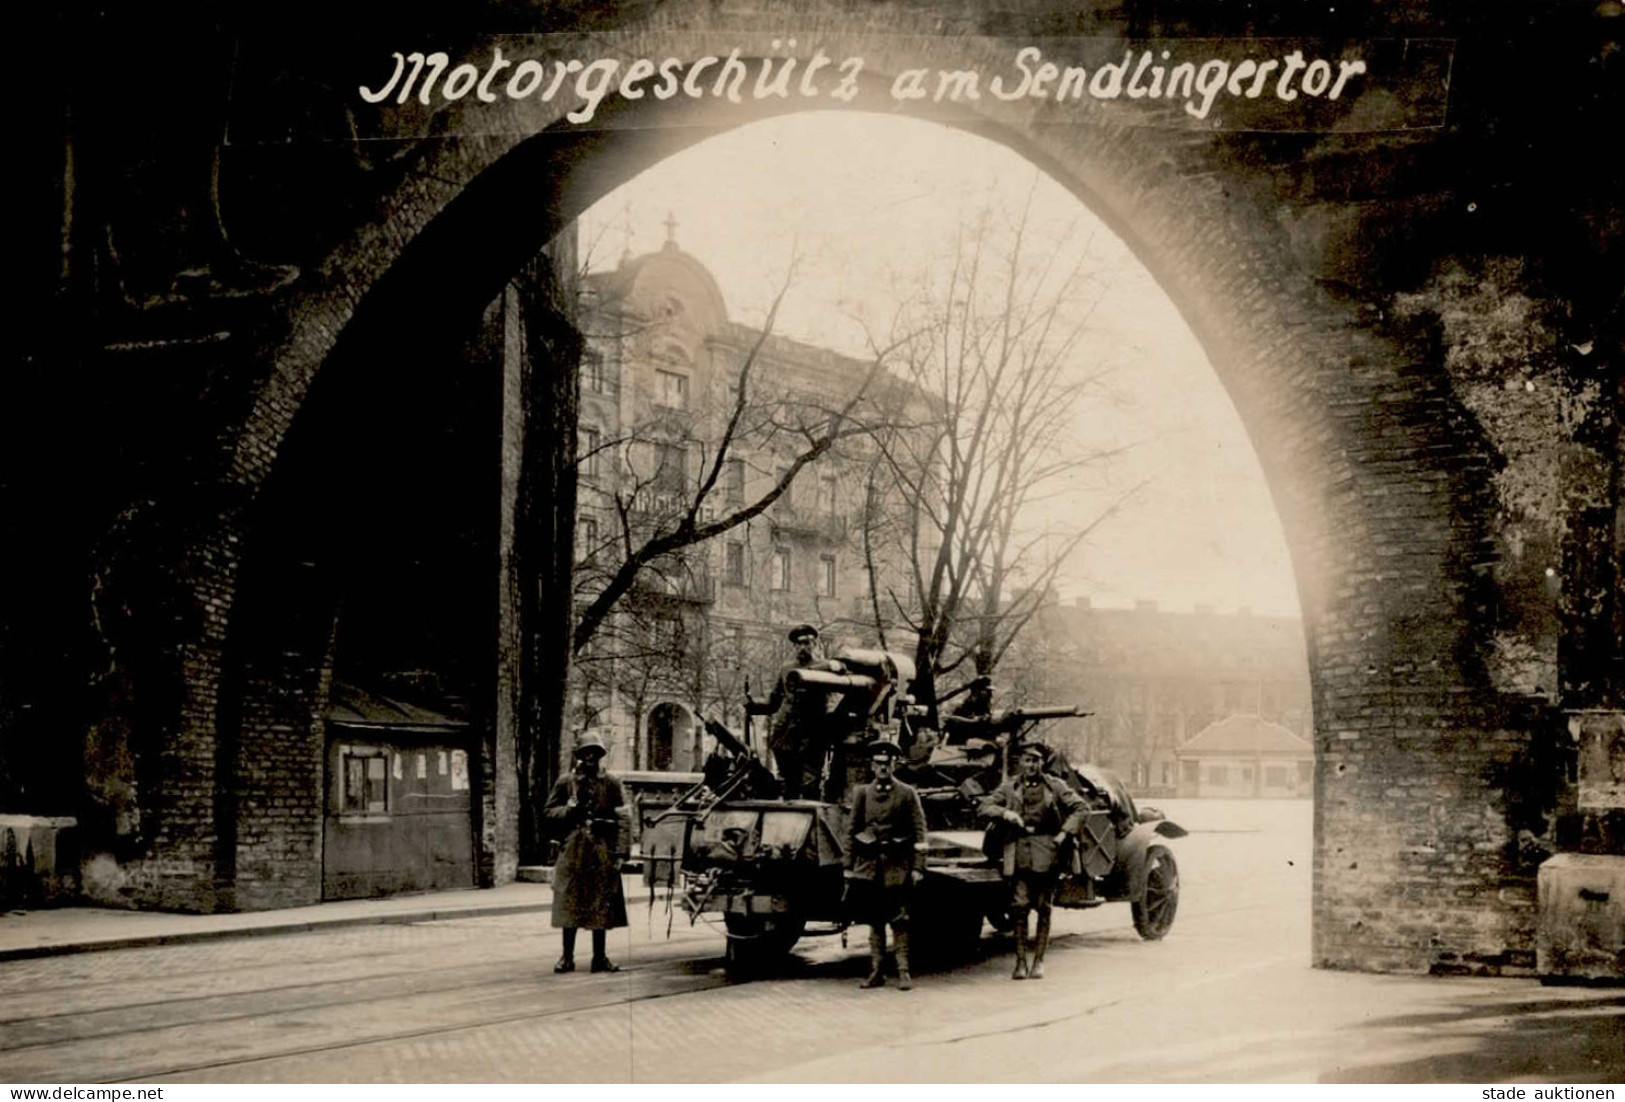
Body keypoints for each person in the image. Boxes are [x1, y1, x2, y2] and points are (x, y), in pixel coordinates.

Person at [979, 741, 1086, 980]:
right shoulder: (1010, 787)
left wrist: (1064, 833)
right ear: (1021, 763)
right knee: (1019, 908)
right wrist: (1005, 813)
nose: (1031, 765)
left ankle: (1039, 961)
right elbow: (984, 806)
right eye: (1027, 760)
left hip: (1048, 852)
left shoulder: (1055, 786)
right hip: (1018, 853)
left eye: (1035, 760)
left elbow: (1081, 808)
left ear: (1041, 763)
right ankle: (1020, 963)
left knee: (1044, 908)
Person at [843, 738, 927, 990]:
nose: (883, 767)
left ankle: (903, 972)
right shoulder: (862, 793)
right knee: (874, 921)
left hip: (897, 866)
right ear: (872, 765)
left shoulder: (907, 793)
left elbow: (920, 831)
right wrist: (848, 866)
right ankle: (877, 972)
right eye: (879, 763)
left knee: (899, 919)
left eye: (887, 763)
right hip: (869, 867)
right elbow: (851, 831)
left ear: (894, 765)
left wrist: (917, 867)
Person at [543, 733, 630, 974]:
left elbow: (623, 818)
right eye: (585, 753)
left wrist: (621, 853)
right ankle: (566, 957)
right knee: (569, 903)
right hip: (572, 849)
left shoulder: (612, 783)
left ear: (601, 756)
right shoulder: (565, 782)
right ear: (579, 756)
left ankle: (599, 957)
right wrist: (567, 811)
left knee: (600, 904)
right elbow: (549, 812)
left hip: (601, 850)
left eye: (595, 753)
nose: (590, 758)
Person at [759, 623, 832, 799]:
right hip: (786, 732)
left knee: (810, 783)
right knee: (788, 781)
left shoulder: (825, 667)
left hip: (812, 732)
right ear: (794, 647)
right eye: (798, 644)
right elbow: (774, 700)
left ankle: (812, 820)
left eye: (807, 643)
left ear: (815, 644)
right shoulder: (786, 668)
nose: (803, 648)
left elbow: (833, 698)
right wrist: (754, 706)